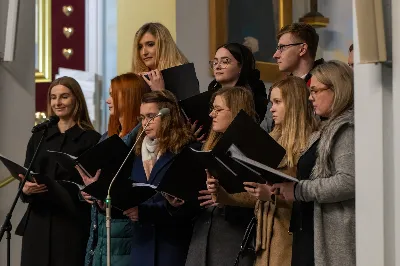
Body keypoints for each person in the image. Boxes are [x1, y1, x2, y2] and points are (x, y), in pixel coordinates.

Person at [206, 77, 318, 266]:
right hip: (265, 240)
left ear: (294, 103)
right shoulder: (269, 140)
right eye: (271, 102)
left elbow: (311, 198)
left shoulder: (309, 145)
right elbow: (256, 194)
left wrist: (272, 195)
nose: (271, 108)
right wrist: (223, 195)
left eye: (278, 102)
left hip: (291, 239)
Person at [273, 60, 355, 266]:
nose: (310, 98)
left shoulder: (347, 128)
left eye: (316, 91)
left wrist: (300, 190)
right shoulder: (324, 128)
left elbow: (349, 181)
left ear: (337, 88)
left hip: (332, 234)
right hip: (309, 227)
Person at [15, 76, 101, 266]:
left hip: (71, 224)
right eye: (53, 97)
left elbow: (95, 185)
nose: (57, 102)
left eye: (64, 97)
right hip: (37, 222)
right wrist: (25, 189)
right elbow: (26, 175)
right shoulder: (39, 136)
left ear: (76, 99)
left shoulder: (91, 139)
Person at [79, 73, 151, 266]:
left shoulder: (142, 138)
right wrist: (89, 192)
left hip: (125, 232)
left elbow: (139, 187)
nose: (107, 100)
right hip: (101, 230)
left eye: (113, 95)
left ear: (129, 97)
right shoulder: (107, 137)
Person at [185, 86, 257, 266]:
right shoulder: (208, 147)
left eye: (218, 110)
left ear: (237, 111)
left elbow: (259, 197)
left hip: (233, 238)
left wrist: (225, 198)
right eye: (212, 109)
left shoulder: (254, 149)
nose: (211, 115)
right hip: (202, 238)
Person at [128, 90, 197, 266]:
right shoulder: (135, 152)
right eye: (142, 117)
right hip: (141, 247)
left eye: (151, 116)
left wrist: (145, 212)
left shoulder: (185, 151)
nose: (145, 123)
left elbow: (192, 205)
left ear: (168, 116)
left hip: (171, 247)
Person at [261, 22, 324, 133]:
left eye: (282, 48)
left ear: (302, 49)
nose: (275, 55)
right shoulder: (278, 88)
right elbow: (264, 132)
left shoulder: (324, 83)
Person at [208, 43, 268, 122]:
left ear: (241, 66)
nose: (217, 67)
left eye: (225, 62)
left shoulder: (256, 100)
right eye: (215, 62)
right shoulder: (211, 95)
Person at [131, 22, 189, 91]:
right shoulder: (139, 78)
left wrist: (159, 91)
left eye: (150, 44)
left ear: (164, 45)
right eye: (140, 47)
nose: (144, 53)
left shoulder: (183, 75)